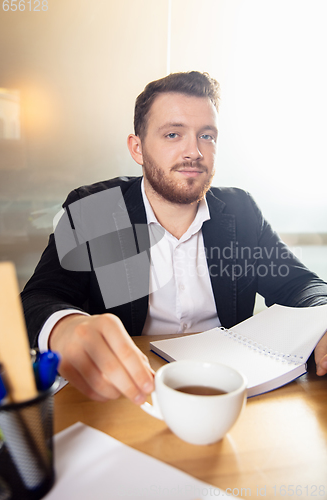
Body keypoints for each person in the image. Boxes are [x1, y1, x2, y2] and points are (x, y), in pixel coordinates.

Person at [21, 71, 327, 405]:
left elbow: (300, 285)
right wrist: (65, 327)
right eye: (172, 134)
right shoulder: (94, 211)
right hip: (130, 395)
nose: (193, 151)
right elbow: (38, 298)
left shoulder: (241, 211)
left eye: (206, 136)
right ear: (137, 148)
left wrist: (323, 318)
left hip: (229, 395)